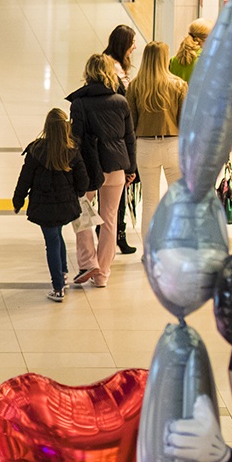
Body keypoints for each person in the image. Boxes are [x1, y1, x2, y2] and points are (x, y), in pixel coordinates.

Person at [66, 54, 136, 289]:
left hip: (88, 168)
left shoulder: (80, 103)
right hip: (116, 166)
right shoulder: (121, 101)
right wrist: (131, 168)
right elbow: (130, 138)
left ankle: (88, 262)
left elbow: (75, 140)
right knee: (109, 219)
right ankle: (102, 273)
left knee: (81, 213)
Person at [12, 108, 91, 302]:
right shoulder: (72, 150)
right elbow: (83, 182)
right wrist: (75, 194)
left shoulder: (36, 150)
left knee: (52, 241)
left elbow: (25, 179)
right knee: (57, 235)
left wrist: (18, 200)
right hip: (66, 206)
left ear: (46, 127)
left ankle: (58, 288)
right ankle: (63, 272)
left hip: (43, 206)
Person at [125, 40, 185, 224]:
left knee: (150, 202)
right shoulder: (178, 85)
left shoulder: (135, 86)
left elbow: (130, 123)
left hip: (144, 146)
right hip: (172, 144)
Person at [105, 25, 140, 254]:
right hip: (116, 138)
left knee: (112, 191)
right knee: (119, 188)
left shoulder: (109, 63)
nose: (135, 46)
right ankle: (116, 233)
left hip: (110, 136)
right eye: (132, 42)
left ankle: (110, 231)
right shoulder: (115, 71)